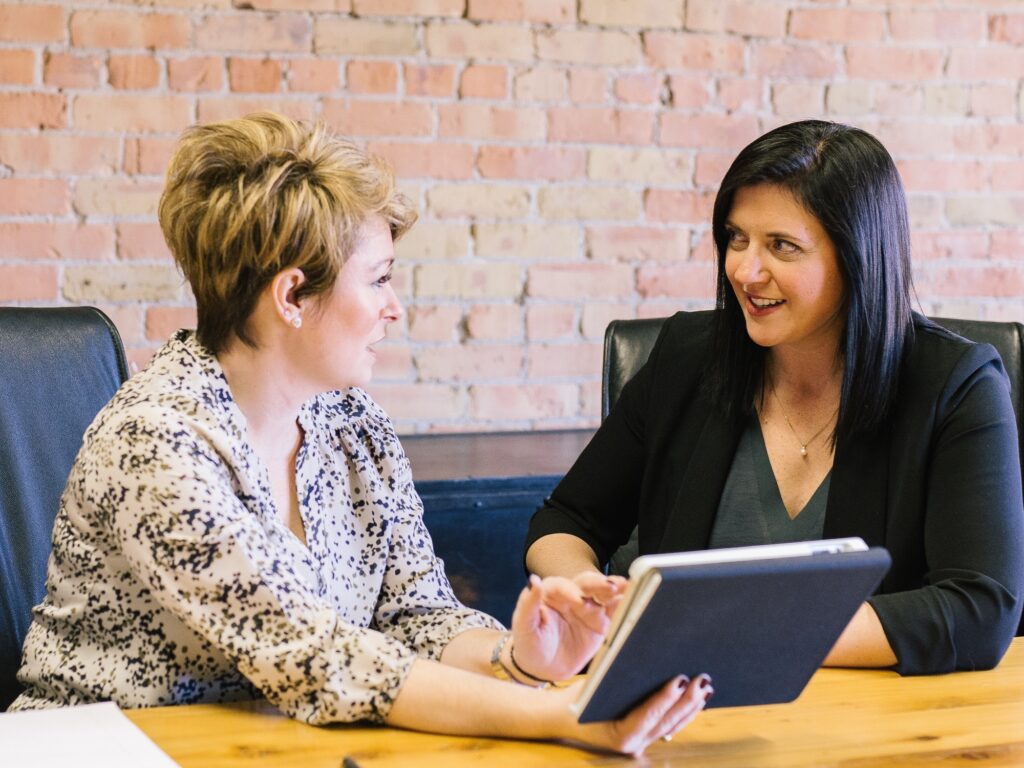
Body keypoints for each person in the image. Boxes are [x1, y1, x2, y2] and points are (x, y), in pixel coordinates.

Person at [9, 113, 710, 754]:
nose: (394, 308)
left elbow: (416, 615)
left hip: (276, 747)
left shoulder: (351, 422)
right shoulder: (157, 441)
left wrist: (520, 660)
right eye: (378, 280)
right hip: (102, 749)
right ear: (292, 296)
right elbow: (318, 657)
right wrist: (564, 715)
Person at [525, 119, 1024, 676]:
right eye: (737, 238)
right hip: (683, 715)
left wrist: (731, 633)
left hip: (875, 725)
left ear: (858, 256)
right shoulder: (687, 358)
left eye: (782, 246)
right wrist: (586, 597)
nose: (744, 270)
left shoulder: (957, 385)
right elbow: (564, 521)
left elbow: (980, 607)